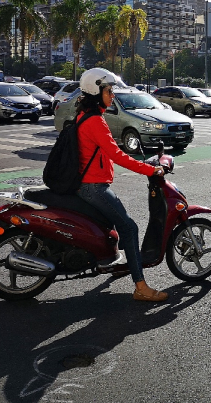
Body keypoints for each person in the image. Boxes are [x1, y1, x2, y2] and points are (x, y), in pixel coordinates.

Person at [74, 68, 168, 302]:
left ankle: (118, 263)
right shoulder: (95, 120)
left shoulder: (84, 114)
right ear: (97, 92)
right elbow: (117, 155)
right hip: (93, 187)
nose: (112, 94)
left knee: (114, 228)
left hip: (88, 183)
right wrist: (150, 169)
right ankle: (141, 287)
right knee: (129, 228)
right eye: (109, 90)